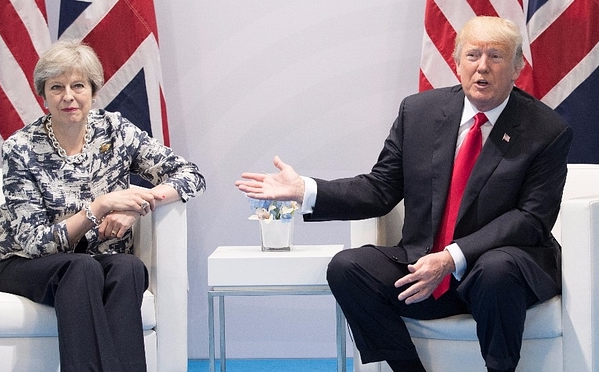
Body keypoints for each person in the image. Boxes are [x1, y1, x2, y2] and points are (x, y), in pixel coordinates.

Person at [235, 16, 572, 372]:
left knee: (497, 269)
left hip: (500, 271)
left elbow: (531, 219)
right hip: (423, 265)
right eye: (473, 55)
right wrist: (307, 189)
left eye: (496, 56)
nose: (482, 67)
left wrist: (450, 258)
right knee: (348, 268)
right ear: (457, 63)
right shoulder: (420, 112)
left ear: (518, 65)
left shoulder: (546, 130)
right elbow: (379, 189)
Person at [0, 40, 205, 372]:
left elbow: (189, 174)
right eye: (56, 87)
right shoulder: (21, 148)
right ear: (44, 96)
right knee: (81, 268)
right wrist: (97, 208)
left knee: (128, 268)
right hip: (16, 263)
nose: (68, 96)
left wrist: (136, 206)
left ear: (93, 91)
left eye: (78, 85)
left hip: (88, 262)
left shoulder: (115, 132)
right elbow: (35, 243)